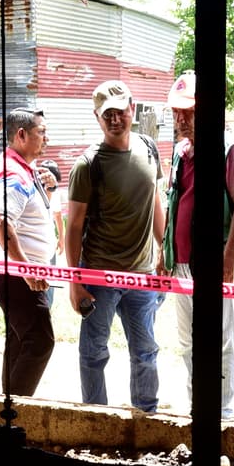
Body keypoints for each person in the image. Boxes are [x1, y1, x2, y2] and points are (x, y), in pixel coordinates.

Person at [65, 79, 165, 415]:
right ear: (98, 117)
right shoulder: (88, 164)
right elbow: (74, 225)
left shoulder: (149, 148)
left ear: (131, 109)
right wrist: (75, 281)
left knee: (146, 351)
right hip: (100, 276)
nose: (115, 119)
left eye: (120, 111)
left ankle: (147, 415)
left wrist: (164, 250)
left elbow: (155, 202)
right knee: (94, 353)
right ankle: (97, 417)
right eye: (107, 114)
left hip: (143, 276)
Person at [159, 71, 234, 420]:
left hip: (216, 266)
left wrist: (228, 257)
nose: (181, 120)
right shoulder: (181, 152)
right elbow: (173, 202)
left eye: (189, 112)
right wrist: (164, 251)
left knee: (223, 341)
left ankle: (223, 412)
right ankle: (197, 408)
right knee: (188, 342)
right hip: (183, 264)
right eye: (176, 113)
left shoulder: (231, 150)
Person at [0, 108, 58, 396]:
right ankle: (15, 412)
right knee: (40, 341)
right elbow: (1, 221)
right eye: (41, 132)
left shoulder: (18, 168)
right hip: (16, 274)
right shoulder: (13, 173)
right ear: (22, 135)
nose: (46, 138)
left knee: (20, 339)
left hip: (12, 271)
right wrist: (27, 269)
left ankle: (9, 406)